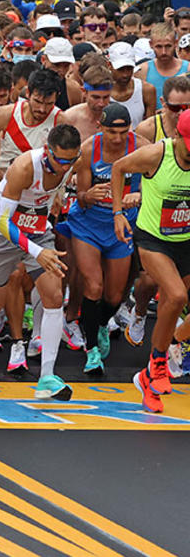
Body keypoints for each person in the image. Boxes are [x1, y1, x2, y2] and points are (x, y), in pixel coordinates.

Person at [0, 125, 82, 400]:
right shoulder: (24, 167)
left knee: (55, 294)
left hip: (37, 230)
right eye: (61, 160)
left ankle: (46, 377)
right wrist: (36, 251)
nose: (66, 166)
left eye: (72, 160)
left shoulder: (69, 163)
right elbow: (2, 221)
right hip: (2, 233)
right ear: (47, 151)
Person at [113, 112, 190, 413]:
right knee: (177, 296)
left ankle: (163, 356)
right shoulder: (157, 154)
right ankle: (157, 365)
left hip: (185, 240)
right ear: (178, 137)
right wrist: (117, 213)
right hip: (153, 239)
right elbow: (119, 168)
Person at [66, 103, 147, 374]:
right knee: (94, 286)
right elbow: (80, 196)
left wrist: (141, 195)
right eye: (112, 132)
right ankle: (91, 350)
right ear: (101, 128)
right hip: (89, 223)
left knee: (114, 295)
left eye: (123, 132)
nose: (117, 138)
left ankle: (99, 324)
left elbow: (158, 181)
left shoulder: (143, 147)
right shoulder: (89, 149)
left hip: (122, 225)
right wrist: (87, 196)